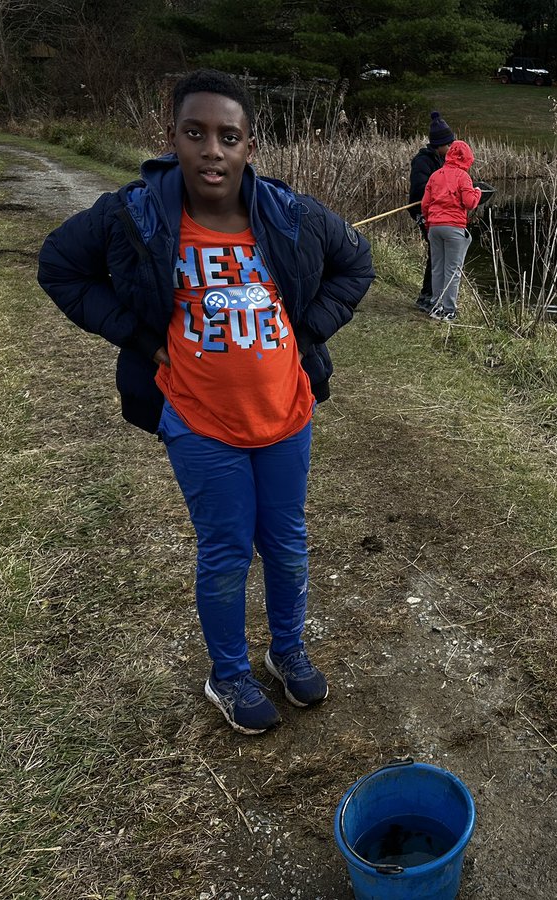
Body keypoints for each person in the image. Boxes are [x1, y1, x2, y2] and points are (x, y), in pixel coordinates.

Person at [37, 69, 375, 735]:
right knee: (226, 549)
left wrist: (304, 334)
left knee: (287, 543)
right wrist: (142, 339)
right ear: (172, 138)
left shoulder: (289, 213)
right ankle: (229, 673)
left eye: (229, 136)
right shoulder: (133, 214)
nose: (212, 150)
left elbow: (356, 265)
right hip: (200, 420)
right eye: (196, 133)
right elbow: (59, 267)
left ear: (250, 146)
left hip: (287, 414)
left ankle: (286, 650)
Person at [420, 139, 481, 323]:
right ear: (466, 159)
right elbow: (469, 202)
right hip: (454, 228)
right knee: (453, 271)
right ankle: (449, 310)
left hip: (435, 227)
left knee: (437, 267)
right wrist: (477, 192)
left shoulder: (435, 175)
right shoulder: (463, 177)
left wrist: (429, 223)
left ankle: (436, 306)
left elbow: (425, 204)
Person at [406, 111, 454, 313]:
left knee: (438, 254)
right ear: (438, 145)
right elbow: (420, 190)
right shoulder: (422, 161)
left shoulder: (444, 160)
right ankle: (427, 297)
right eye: (448, 144)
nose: (451, 147)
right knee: (436, 254)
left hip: (438, 213)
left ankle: (431, 295)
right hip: (422, 212)